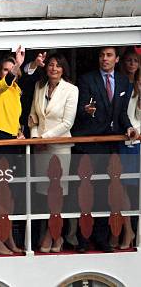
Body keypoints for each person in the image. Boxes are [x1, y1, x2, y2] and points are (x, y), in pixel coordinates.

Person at [72, 46, 138, 253]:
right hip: (90, 144)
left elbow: (122, 114)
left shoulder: (123, 81)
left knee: (104, 194)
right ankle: (83, 241)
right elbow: (80, 111)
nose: (104, 59)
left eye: (109, 55)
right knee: (85, 195)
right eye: (101, 55)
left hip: (111, 145)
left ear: (117, 59)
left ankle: (101, 239)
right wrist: (86, 110)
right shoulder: (86, 79)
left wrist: (128, 127)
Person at [27, 53, 79, 252]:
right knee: (43, 195)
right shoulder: (39, 87)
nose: (53, 69)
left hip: (59, 148)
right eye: (50, 65)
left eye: (58, 65)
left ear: (63, 69)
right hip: (41, 149)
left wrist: (45, 138)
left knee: (57, 196)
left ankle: (54, 236)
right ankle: (49, 234)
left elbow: (68, 122)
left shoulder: (71, 90)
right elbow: (33, 116)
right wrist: (35, 138)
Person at [0, 47, 26, 255]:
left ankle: (7, 238)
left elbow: (14, 117)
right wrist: (18, 65)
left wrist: (19, 131)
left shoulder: (16, 90)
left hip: (12, 141)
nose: (8, 72)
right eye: (5, 69)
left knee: (8, 196)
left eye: (11, 70)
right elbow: (4, 83)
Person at [113, 50, 140, 250]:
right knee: (123, 192)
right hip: (127, 148)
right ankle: (128, 231)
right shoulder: (127, 93)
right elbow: (123, 116)